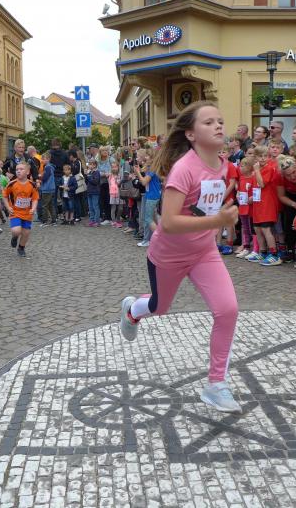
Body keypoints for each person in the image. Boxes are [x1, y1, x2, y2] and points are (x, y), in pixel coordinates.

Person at [118, 101, 241, 413]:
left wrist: (218, 223)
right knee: (160, 307)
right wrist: (217, 220)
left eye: (220, 120)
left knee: (227, 310)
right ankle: (133, 310)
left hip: (204, 253)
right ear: (190, 134)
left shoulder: (223, 165)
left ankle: (216, 384)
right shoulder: (184, 169)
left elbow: (205, 206)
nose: (218, 125)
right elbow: (170, 222)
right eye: (208, 122)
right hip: (168, 255)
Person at [250, 146, 282, 265]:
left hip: (267, 204)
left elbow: (262, 184)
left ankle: (274, 254)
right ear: (255, 158)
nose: (263, 158)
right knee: (257, 229)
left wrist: (257, 171)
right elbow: (256, 187)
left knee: (266, 229)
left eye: (265, 156)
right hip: (258, 203)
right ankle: (262, 252)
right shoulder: (257, 169)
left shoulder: (268, 168)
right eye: (260, 156)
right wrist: (252, 197)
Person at [2, 163, 39, 257]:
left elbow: (35, 198)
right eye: (17, 169)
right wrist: (8, 207)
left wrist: (33, 208)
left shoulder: (32, 185)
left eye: (21, 169)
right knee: (16, 231)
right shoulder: (12, 183)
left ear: (27, 172)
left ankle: (21, 248)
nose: (18, 171)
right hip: (15, 211)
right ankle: (14, 237)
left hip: (27, 213)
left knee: (26, 232)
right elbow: (5, 196)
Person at [135, 156, 161, 247]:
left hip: (152, 196)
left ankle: (148, 240)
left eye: (147, 157)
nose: (144, 159)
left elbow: (144, 182)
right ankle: (154, 238)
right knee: (153, 219)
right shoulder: (151, 169)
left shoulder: (152, 170)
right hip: (151, 195)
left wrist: (138, 172)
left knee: (148, 219)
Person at [234, 157, 255, 259]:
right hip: (242, 207)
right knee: (245, 227)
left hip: (251, 208)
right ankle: (246, 247)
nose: (240, 168)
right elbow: (239, 190)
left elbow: (256, 192)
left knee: (252, 228)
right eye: (240, 165)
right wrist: (238, 194)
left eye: (242, 166)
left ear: (250, 167)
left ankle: (255, 248)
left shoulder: (253, 178)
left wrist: (252, 198)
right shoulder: (241, 178)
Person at [39, 154, 57, 226]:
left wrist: (40, 177)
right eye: (42, 159)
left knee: (45, 206)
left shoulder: (47, 167)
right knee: (51, 205)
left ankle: (45, 221)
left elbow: (45, 178)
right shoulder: (50, 167)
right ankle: (53, 221)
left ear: (48, 159)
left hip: (47, 188)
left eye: (44, 159)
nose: (42, 160)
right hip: (51, 188)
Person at [85, 159, 101, 227]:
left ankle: (96, 221)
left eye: (91, 164)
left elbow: (95, 182)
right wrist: (86, 175)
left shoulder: (97, 172)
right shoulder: (89, 173)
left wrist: (89, 176)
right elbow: (86, 182)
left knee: (95, 206)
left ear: (95, 165)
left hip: (95, 192)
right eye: (89, 164)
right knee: (90, 207)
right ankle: (92, 220)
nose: (90, 165)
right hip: (89, 191)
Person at [108, 162, 123, 228]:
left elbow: (121, 184)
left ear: (118, 168)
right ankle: (113, 221)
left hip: (120, 193)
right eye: (113, 167)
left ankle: (118, 219)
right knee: (113, 208)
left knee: (120, 208)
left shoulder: (120, 175)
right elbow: (109, 185)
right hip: (113, 194)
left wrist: (118, 182)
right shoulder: (110, 176)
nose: (114, 168)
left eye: (115, 167)